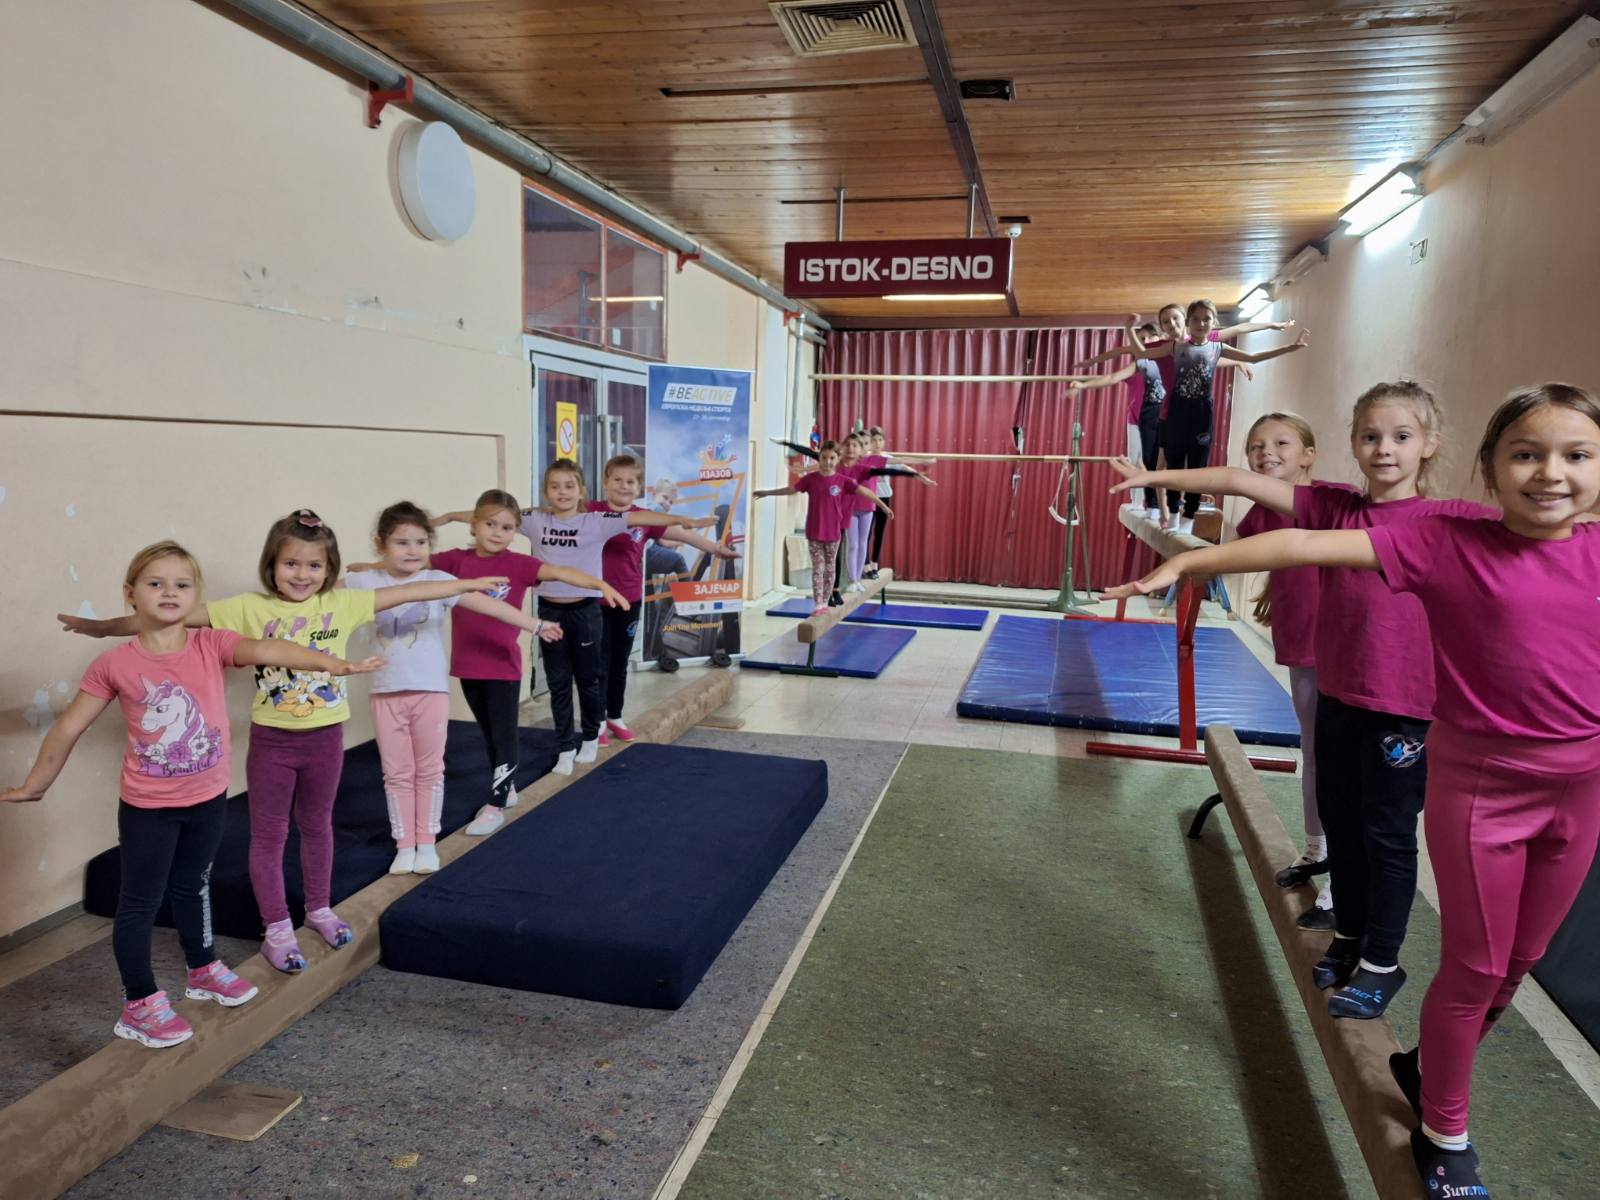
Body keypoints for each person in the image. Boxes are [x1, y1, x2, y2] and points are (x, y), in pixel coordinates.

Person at [1108, 382, 1600, 1200]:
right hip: (1483, 786)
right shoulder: (1445, 540)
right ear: (1489, 467)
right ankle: (1446, 1131)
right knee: (1475, 963)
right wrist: (1192, 560)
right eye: (1527, 454)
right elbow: (1299, 542)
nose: (1551, 473)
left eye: (1576, 455)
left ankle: (1424, 1067)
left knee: (1521, 962)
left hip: (1578, 792)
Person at [1108, 381, 1497, 1023]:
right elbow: (1238, 480)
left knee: (1387, 835)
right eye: (1370, 436)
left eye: (1401, 437)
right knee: (1341, 823)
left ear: (1429, 444)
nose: (1384, 449)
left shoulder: (1449, 520)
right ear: (1352, 444)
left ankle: (1382, 962)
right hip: (1340, 692)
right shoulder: (1334, 507)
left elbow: (1534, 531)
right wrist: (1155, 476)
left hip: (1403, 709)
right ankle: (1349, 935)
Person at [61, 511, 509, 973]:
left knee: (317, 826)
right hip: (273, 741)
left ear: (328, 569)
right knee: (270, 835)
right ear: (272, 565)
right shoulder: (248, 608)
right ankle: (276, 927)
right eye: (291, 564)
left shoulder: (342, 603)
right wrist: (102, 627)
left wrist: (469, 584)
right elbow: (166, 617)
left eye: (314, 566)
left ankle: (319, 909)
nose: (302, 575)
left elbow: (412, 591)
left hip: (326, 739)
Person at [10, 541, 383, 1046]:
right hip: (148, 807)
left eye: (181, 585)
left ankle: (203, 968)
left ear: (195, 596)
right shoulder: (113, 664)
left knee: (193, 886)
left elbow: (270, 649)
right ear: (131, 594)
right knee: (140, 902)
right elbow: (68, 727)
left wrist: (331, 664)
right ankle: (140, 1002)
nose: (170, 592)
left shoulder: (211, 644)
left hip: (207, 798)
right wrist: (36, 784)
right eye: (155, 583)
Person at [441, 463, 711, 776]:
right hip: (550, 611)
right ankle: (565, 746)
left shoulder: (596, 521)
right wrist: (449, 517)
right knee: (558, 682)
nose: (562, 493)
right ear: (546, 492)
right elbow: (491, 516)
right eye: (554, 486)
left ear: (581, 491)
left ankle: (591, 736)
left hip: (585, 611)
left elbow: (641, 517)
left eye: (569, 486)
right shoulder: (535, 519)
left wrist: (682, 520)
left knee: (588, 679)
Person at [345, 500, 565, 871]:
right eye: (401, 543)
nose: (412, 551)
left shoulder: (439, 580)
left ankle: (427, 842)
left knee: (430, 770)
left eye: (420, 542)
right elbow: (317, 598)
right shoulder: (364, 582)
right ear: (381, 545)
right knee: (396, 773)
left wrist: (536, 625)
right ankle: (405, 845)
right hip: (385, 692)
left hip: (430, 691)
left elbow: (489, 606)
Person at [421, 489, 621, 834]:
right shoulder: (455, 561)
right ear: (473, 525)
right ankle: (507, 786)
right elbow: (412, 565)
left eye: (507, 527)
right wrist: (368, 571)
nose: (498, 533)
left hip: (503, 665)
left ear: (516, 531)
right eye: (490, 524)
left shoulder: (518, 564)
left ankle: (497, 804)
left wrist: (599, 584)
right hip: (468, 663)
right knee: (487, 732)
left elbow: (561, 571)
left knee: (503, 734)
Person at [589, 454, 737, 743]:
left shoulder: (645, 518)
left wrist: (717, 549)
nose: (623, 486)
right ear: (606, 482)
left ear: (639, 487)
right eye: (617, 480)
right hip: (596, 600)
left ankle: (614, 715)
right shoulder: (592, 512)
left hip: (629, 599)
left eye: (630, 481)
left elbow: (684, 536)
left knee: (619, 662)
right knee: (599, 663)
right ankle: (596, 722)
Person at [1125, 302, 1311, 532]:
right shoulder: (1174, 347)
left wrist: (1289, 347)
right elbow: (1142, 354)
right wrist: (1130, 330)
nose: (1201, 323)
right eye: (1195, 319)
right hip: (1176, 412)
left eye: (1206, 319)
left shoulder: (1217, 347)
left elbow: (1252, 356)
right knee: (1174, 465)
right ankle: (1173, 513)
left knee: (1197, 468)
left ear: (1214, 323)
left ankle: (1188, 517)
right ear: (1188, 322)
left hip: (1202, 413)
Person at [1068, 321, 1252, 520]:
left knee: (1162, 463)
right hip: (1138, 420)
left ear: (1160, 339)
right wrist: (1083, 384)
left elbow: (1209, 360)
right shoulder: (1140, 364)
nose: (1146, 342)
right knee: (1138, 459)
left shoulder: (1174, 359)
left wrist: (1237, 362)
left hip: (1166, 419)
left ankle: (1162, 506)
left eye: (1149, 338)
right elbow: (1111, 378)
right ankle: (1140, 502)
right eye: (1141, 340)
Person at [755, 440, 891, 615]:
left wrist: (883, 506)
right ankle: (818, 603)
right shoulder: (810, 479)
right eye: (824, 458)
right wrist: (768, 493)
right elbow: (791, 489)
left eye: (832, 458)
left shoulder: (843, 481)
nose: (828, 462)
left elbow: (865, 492)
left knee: (830, 568)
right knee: (818, 568)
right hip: (814, 532)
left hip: (833, 532)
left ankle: (825, 600)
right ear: (819, 459)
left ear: (838, 459)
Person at [863, 426, 936, 578]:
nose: (877, 443)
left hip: (884, 498)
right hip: (869, 498)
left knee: (879, 533)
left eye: (880, 440)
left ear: (884, 442)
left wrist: (923, 479)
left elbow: (905, 468)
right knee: (866, 534)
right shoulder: (865, 458)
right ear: (869, 442)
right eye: (874, 440)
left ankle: (875, 564)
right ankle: (866, 565)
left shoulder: (888, 458)